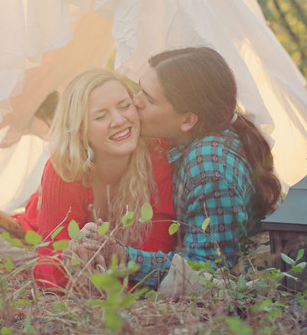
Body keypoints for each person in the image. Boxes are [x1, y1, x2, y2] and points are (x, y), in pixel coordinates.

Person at [83, 47, 282, 287]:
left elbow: (211, 273)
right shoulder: (198, 136)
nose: (135, 102)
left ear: (188, 120)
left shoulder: (208, 168)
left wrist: (124, 257)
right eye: (139, 88)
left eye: (150, 99)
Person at [0, 68, 176, 291]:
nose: (119, 120)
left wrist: (112, 283)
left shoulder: (157, 154)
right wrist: (71, 258)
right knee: (21, 243)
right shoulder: (63, 171)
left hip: (116, 246)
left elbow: (158, 251)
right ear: (80, 131)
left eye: (125, 106)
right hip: (42, 217)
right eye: (101, 116)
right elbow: (48, 268)